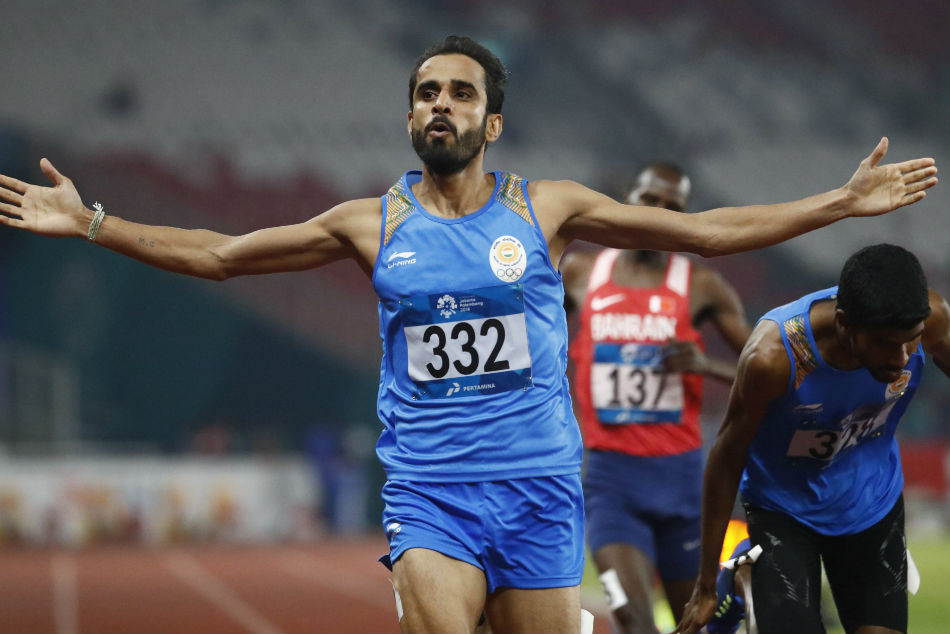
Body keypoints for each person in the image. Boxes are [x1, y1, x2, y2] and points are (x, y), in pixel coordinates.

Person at [0, 36, 939, 634]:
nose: (437, 105)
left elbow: (705, 233)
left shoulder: (549, 211)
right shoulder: (370, 223)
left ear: (492, 120)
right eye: (423, 93)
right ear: (410, 115)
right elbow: (218, 255)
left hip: (538, 491)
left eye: (456, 93)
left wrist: (838, 204)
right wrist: (93, 225)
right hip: (432, 492)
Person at [675, 244, 950, 634]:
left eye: (912, 341)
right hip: (783, 509)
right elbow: (726, 457)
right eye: (886, 344)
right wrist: (703, 586)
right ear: (843, 324)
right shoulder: (774, 356)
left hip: (870, 502)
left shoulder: (932, 317)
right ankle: (741, 577)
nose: (903, 357)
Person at [561, 163, 752, 632]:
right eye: (650, 200)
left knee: (697, 624)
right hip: (611, 484)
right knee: (634, 620)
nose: (659, 213)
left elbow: (768, 367)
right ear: (628, 197)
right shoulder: (580, 273)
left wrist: (707, 367)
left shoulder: (701, 286)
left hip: (683, 482)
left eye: (674, 207)